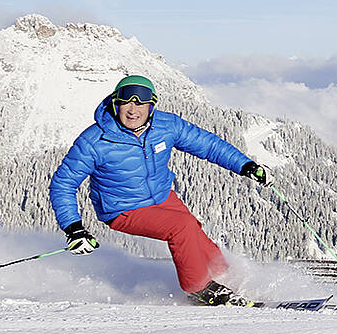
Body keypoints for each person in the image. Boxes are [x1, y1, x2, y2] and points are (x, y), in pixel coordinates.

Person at [48, 75, 270, 305]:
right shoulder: (94, 141)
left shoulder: (166, 126)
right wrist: (73, 229)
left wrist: (245, 165)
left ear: (151, 105)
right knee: (181, 227)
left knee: (195, 233)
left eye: (141, 103)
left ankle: (226, 277)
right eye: (126, 102)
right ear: (115, 103)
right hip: (123, 209)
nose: (133, 110)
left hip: (162, 197)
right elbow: (63, 183)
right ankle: (199, 289)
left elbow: (207, 144)